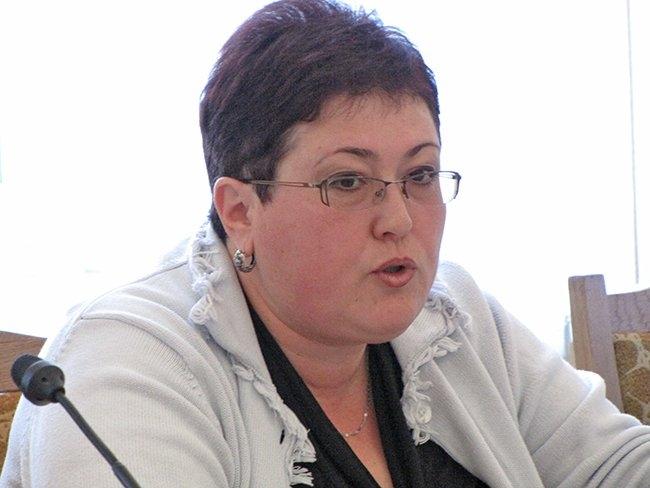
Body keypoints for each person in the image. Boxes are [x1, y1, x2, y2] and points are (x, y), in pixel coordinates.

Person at [2, 0, 650, 486]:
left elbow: (615, 466)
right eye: (347, 181)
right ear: (240, 212)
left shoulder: (455, 317)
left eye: (420, 174)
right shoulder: (122, 365)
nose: (398, 218)